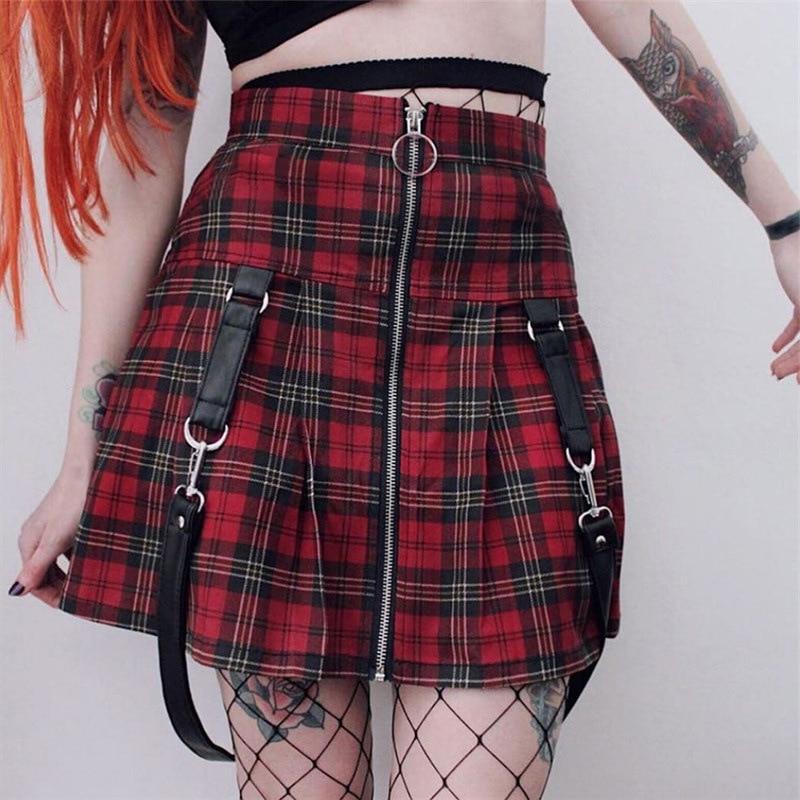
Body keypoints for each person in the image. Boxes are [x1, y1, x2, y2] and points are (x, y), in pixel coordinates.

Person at [3, 1, 797, 798]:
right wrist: (84, 451)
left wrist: (787, 222)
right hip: (264, 312)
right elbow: (141, 133)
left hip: (496, 294)